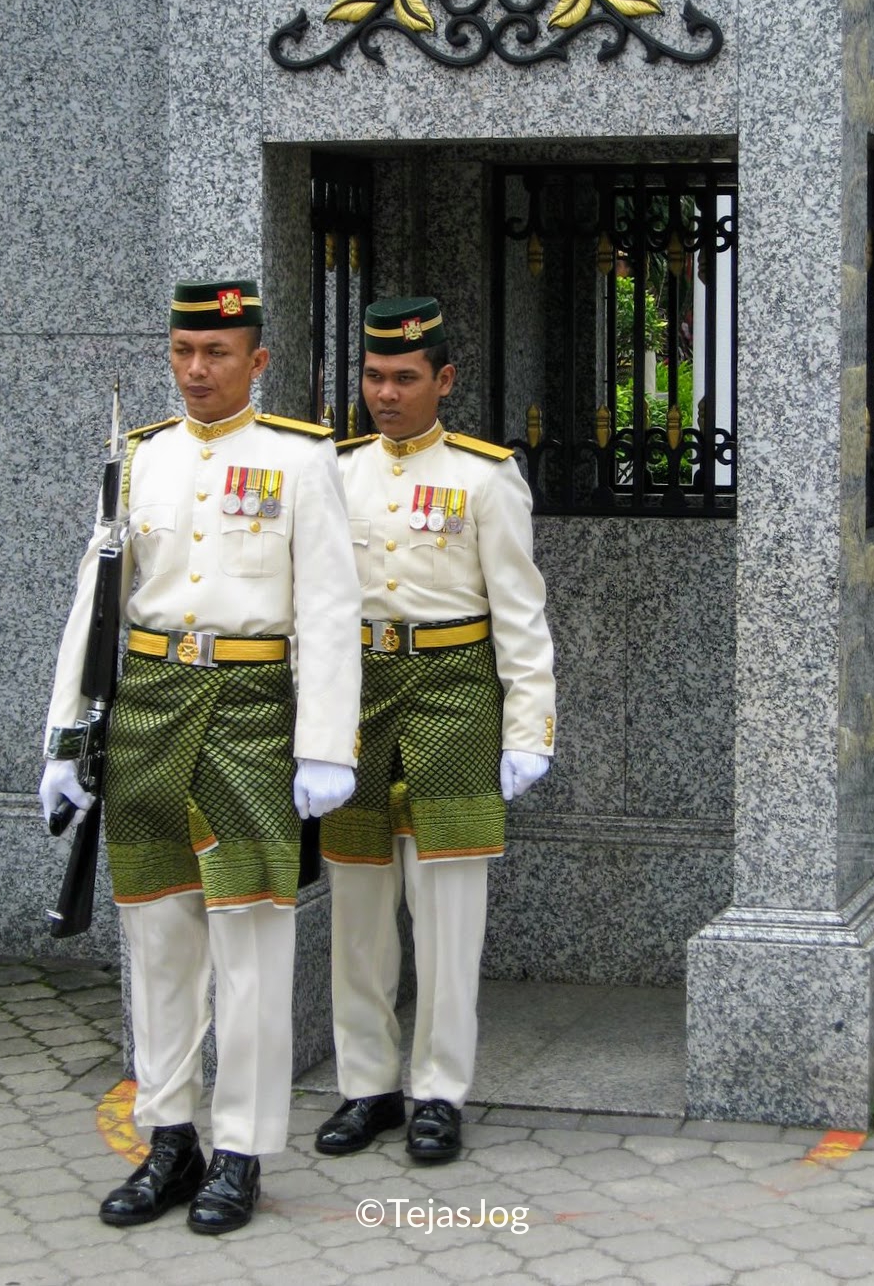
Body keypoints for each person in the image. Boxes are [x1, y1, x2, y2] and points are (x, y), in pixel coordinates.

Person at [40, 278, 360, 1234]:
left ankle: (243, 1150)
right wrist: (64, 737)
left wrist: (325, 744)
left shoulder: (300, 460)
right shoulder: (138, 459)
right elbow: (95, 604)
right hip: (148, 709)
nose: (195, 370)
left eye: (216, 354)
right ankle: (169, 1136)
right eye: (183, 352)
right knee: (158, 939)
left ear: (256, 360)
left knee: (252, 943)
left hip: (254, 712)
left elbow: (331, 609)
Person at [315, 296, 556, 1164]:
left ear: (443, 380)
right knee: (358, 908)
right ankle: (367, 1086)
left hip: (455, 696)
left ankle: (441, 1091)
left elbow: (521, 617)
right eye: (375, 376)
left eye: (405, 377)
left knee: (449, 915)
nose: (386, 392)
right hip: (359, 697)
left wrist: (530, 728)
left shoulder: (486, 477)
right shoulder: (333, 474)